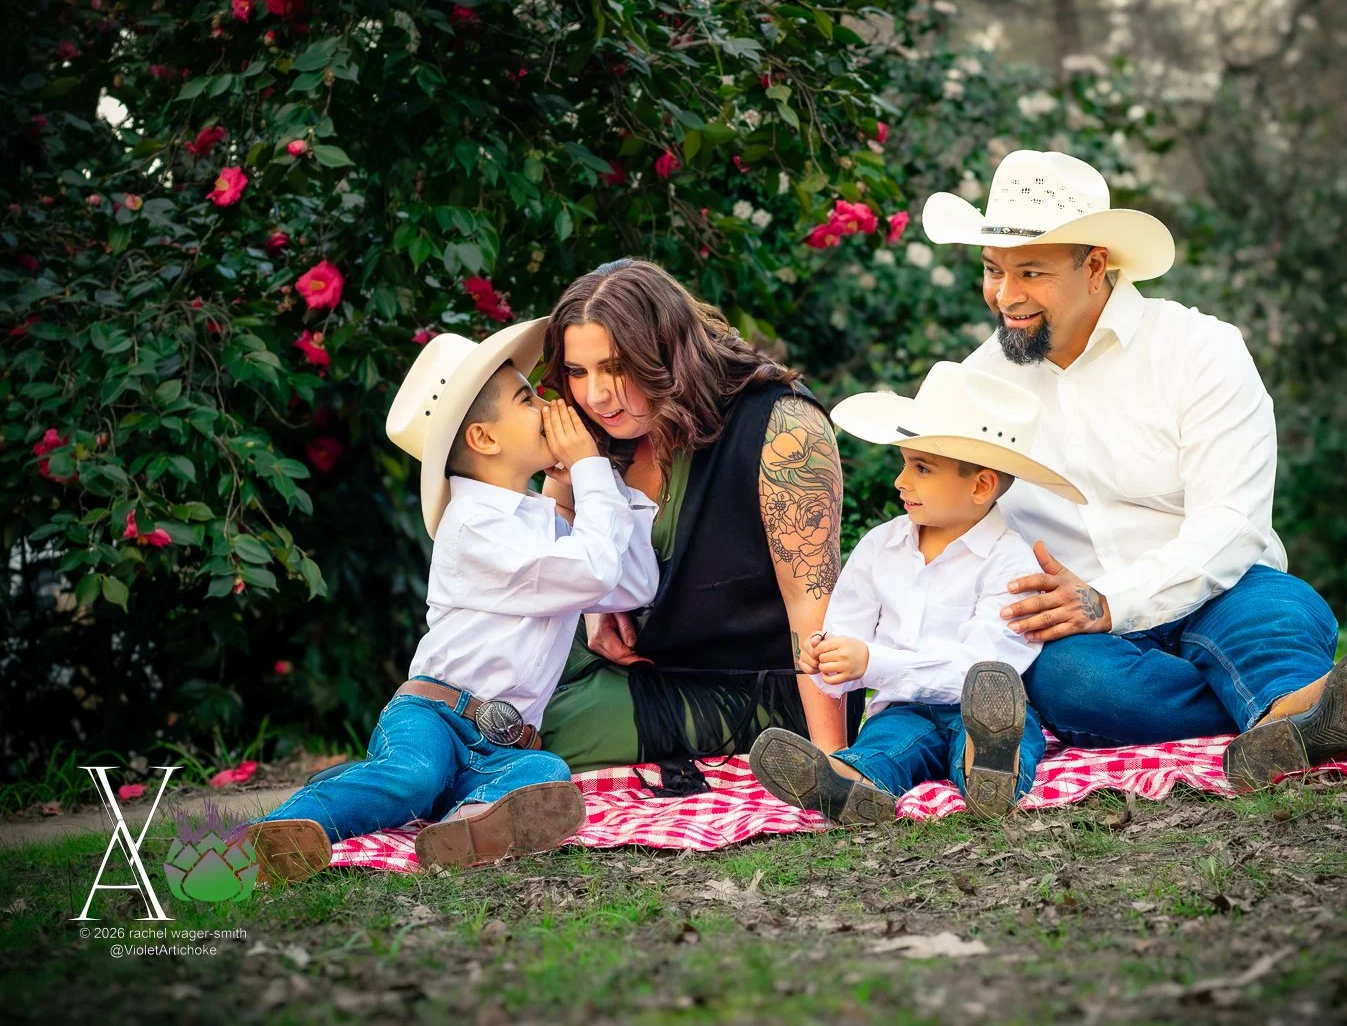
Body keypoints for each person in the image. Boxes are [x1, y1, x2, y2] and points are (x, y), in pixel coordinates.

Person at [921, 150, 1347, 791]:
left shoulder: (1199, 350)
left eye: (1031, 272)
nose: (1005, 296)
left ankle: (1294, 708)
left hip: (1225, 592)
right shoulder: (975, 385)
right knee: (1071, 682)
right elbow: (957, 524)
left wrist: (1112, 601)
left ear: (1094, 266)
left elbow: (1232, 525)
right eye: (993, 270)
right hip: (1082, 633)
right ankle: (1310, 709)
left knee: (1277, 618)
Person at [250, 319, 658, 882]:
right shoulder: (473, 527)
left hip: (503, 743)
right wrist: (588, 468)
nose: (549, 407)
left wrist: (587, 483)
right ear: (485, 439)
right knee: (414, 776)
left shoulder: (541, 520)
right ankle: (282, 832)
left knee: (543, 771)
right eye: (526, 400)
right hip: (435, 716)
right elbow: (593, 570)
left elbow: (633, 584)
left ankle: (462, 829)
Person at [533, 259, 859, 776]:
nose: (596, 395)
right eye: (578, 372)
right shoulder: (601, 429)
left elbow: (811, 602)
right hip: (645, 661)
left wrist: (834, 763)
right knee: (501, 686)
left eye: (616, 367)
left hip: (754, 684)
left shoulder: (782, 427)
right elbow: (560, 523)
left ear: (667, 353)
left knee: (545, 726)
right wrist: (598, 603)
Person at [748, 362, 1082, 822]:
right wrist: (827, 658)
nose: (900, 481)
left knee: (1002, 733)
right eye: (905, 463)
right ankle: (847, 783)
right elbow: (848, 633)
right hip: (902, 710)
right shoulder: (879, 546)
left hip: (981, 711)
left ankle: (987, 769)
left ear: (981, 485)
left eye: (921, 468)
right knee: (885, 746)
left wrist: (872, 662)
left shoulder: (1012, 564)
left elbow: (982, 669)